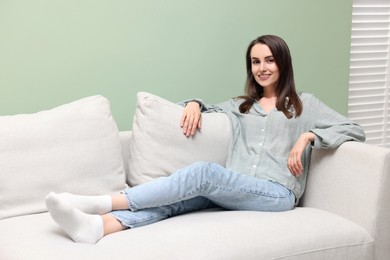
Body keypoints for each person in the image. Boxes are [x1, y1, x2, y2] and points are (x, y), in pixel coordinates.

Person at [45, 35, 366, 244]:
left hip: (278, 194)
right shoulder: (242, 107)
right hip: (237, 188)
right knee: (178, 201)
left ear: (283, 62)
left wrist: (309, 135)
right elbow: (199, 105)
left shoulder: (304, 105)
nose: (262, 68)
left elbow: (354, 129)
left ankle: (102, 200)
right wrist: (196, 103)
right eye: (256, 61)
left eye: (269, 60)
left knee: (204, 173)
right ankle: (100, 226)